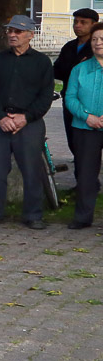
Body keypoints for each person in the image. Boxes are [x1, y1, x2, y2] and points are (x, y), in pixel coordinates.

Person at [0, 15, 54, 229]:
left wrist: (26, 117)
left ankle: (33, 215)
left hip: (29, 123)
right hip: (0, 122)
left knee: (32, 171)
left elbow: (45, 96)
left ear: (31, 35)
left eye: (18, 31)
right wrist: (1, 117)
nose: (12, 35)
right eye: (10, 31)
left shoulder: (42, 62)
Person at [65, 21, 103, 229]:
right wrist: (87, 117)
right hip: (85, 127)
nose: (98, 43)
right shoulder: (79, 69)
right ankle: (82, 217)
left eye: (102, 39)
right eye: (94, 39)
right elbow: (70, 98)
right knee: (86, 174)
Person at [54, 8, 100, 160]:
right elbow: (57, 71)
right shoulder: (69, 47)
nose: (77, 25)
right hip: (71, 100)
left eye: (83, 22)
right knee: (74, 140)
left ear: (94, 25)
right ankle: (81, 171)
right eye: (75, 22)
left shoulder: (96, 47)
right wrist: (76, 67)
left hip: (94, 103)